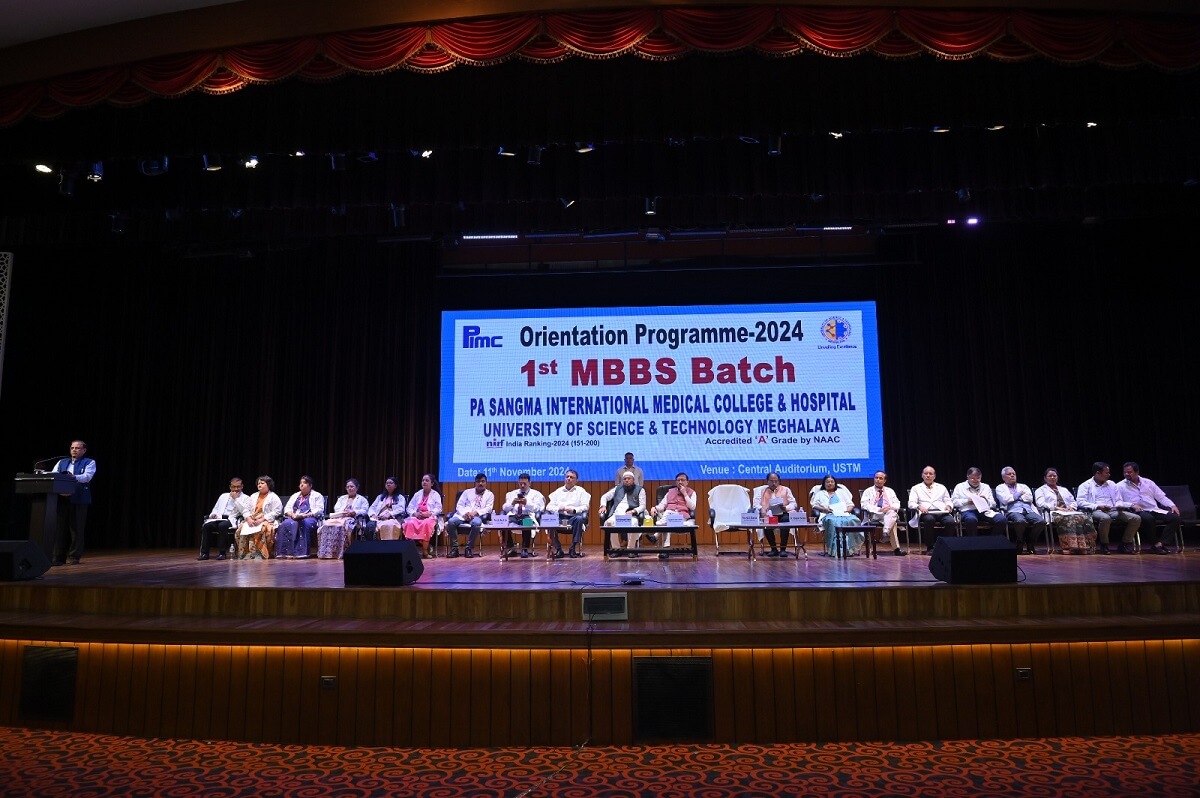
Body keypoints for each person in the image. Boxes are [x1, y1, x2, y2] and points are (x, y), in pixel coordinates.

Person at [1116, 461, 1180, 555]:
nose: (1126, 474)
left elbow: (1161, 497)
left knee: (1175, 518)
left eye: (1129, 472)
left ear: (1137, 472)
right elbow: (1118, 502)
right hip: (1137, 510)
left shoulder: (1148, 482)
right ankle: (1155, 544)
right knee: (1148, 519)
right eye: (1124, 472)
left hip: (1153, 508)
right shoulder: (1120, 486)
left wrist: (1172, 505)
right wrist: (1131, 505)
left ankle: (1160, 544)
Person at [1077, 461, 1140, 554]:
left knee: (1136, 518)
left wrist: (1119, 505)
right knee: (1105, 518)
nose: (1109, 475)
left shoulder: (1112, 484)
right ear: (1098, 473)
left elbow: (1118, 499)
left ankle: (1124, 544)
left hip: (1112, 509)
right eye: (1106, 473)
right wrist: (1098, 506)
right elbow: (1080, 502)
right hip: (1096, 510)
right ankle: (1104, 545)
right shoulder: (1085, 485)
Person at [50, 439, 96, 566]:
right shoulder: (62, 462)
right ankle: (57, 557)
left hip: (79, 498)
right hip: (62, 498)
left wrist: (72, 477)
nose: (74, 450)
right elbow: (54, 475)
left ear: (84, 450)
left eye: (77, 448)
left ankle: (74, 556)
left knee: (76, 529)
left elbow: (87, 477)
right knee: (60, 528)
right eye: (72, 448)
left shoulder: (89, 462)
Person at [1035, 467, 1097, 554]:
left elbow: (1073, 501)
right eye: (1050, 476)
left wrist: (1071, 507)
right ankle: (1070, 547)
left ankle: (1085, 546)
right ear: (1045, 478)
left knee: (1084, 517)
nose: (1052, 478)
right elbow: (1040, 504)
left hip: (1068, 511)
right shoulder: (1040, 490)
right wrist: (1057, 508)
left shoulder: (1063, 489)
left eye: (1054, 476)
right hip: (1052, 512)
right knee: (1070, 519)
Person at [995, 467, 1047, 555]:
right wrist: (1019, 494)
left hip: (1028, 509)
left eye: (1013, 474)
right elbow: (1005, 499)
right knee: (1020, 521)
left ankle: (1030, 540)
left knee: (1041, 522)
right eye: (1009, 474)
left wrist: (1013, 497)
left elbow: (1029, 498)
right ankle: (1020, 541)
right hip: (1012, 511)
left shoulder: (1023, 486)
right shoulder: (1000, 487)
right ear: (1003, 477)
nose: (1012, 475)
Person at [317, 478, 369, 560]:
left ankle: (341, 552)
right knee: (326, 524)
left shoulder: (362, 499)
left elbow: (365, 511)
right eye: (348, 487)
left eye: (352, 486)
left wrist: (354, 512)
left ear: (357, 487)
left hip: (353, 519)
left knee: (341, 526)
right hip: (340, 517)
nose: (349, 488)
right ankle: (328, 552)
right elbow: (336, 508)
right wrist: (344, 512)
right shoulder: (342, 498)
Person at [198, 477, 249, 560]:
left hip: (231, 520)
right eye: (234, 487)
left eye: (238, 487)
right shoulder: (223, 496)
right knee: (207, 526)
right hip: (218, 518)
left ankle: (222, 553)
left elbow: (244, 511)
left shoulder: (246, 498)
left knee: (222, 526)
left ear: (242, 486)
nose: (236, 489)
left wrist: (236, 499)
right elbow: (215, 508)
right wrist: (213, 514)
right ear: (230, 487)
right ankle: (204, 553)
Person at [446, 473, 495, 559]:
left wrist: (475, 513)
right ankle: (454, 549)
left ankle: (468, 548)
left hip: (477, 516)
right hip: (463, 515)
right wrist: (465, 513)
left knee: (476, 523)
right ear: (475, 483)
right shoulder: (467, 492)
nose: (480, 483)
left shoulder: (490, 495)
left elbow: (488, 509)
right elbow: (459, 505)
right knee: (451, 521)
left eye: (483, 481)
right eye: (478, 481)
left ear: (486, 483)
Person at [811, 474, 862, 557]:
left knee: (852, 520)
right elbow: (814, 505)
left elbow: (850, 504)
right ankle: (835, 550)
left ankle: (849, 549)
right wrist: (825, 510)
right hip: (828, 514)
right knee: (833, 521)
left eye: (832, 482)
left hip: (844, 513)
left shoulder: (841, 492)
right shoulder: (820, 493)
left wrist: (847, 510)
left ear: (835, 483)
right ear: (824, 484)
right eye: (827, 482)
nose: (830, 483)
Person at [277, 475, 326, 559]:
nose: (302, 484)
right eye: (301, 483)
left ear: (310, 485)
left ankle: (301, 552)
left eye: (305, 483)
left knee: (301, 523)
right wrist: (292, 514)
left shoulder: (317, 495)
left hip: (310, 518)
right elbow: (287, 508)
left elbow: (319, 510)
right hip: (293, 517)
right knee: (284, 524)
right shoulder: (295, 496)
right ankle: (285, 552)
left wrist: (306, 515)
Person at [908, 466, 954, 554]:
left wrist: (948, 505)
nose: (928, 476)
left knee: (950, 522)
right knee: (929, 520)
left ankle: (944, 545)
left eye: (930, 474)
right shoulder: (916, 488)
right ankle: (930, 547)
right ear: (922, 475)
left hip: (941, 511)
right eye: (926, 474)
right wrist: (919, 506)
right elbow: (911, 503)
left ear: (934, 476)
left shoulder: (941, 487)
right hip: (926, 512)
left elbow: (948, 500)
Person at [951, 467, 1008, 538]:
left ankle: (992, 542)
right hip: (968, 510)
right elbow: (954, 502)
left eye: (978, 478)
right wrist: (967, 501)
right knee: (971, 519)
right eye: (972, 478)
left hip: (985, 511)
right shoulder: (960, 487)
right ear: (967, 477)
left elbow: (993, 504)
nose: (975, 480)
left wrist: (986, 500)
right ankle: (974, 544)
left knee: (1002, 519)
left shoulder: (985, 487)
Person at [546, 468, 591, 559]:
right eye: (567, 477)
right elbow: (548, 507)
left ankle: (573, 548)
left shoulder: (581, 491)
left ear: (576, 480)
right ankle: (558, 549)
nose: (569, 479)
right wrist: (558, 508)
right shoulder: (558, 491)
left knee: (579, 519)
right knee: (549, 520)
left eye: (571, 477)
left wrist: (574, 510)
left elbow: (585, 506)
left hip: (573, 518)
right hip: (559, 517)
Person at [860, 470, 906, 556]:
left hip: (889, 513)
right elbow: (864, 505)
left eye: (880, 478)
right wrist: (878, 509)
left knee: (892, 514)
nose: (878, 480)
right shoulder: (868, 491)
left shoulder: (890, 491)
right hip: (874, 515)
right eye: (876, 478)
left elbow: (897, 503)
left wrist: (891, 507)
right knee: (893, 521)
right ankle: (896, 549)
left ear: (884, 481)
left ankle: (885, 533)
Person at [236, 476, 283, 559]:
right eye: (258, 483)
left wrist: (262, 519)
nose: (259, 485)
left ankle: (259, 554)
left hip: (266, 519)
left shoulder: (274, 497)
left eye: (262, 483)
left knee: (263, 529)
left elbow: (277, 511)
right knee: (240, 530)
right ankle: (246, 554)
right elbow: (245, 509)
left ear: (268, 484)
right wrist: (248, 519)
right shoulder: (253, 496)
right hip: (252, 519)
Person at [601, 470, 647, 553]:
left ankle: (631, 549)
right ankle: (616, 549)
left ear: (633, 480)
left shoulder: (640, 490)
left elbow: (643, 506)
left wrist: (634, 511)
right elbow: (604, 497)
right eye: (625, 479)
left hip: (631, 515)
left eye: (629, 478)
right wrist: (603, 505)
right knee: (609, 523)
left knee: (633, 524)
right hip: (616, 514)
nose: (626, 480)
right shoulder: (617, 488)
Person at [753, 472, 798, 558]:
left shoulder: (786, 490)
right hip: (768, 514)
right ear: (767, 481)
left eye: (776, 481)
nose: (774, 483)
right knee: (766, 524)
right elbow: (755, 504)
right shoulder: (762, 491)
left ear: (779, 481)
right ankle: (773, 549)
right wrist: (761, 508)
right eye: (771, 481)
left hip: (783, 513)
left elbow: (794, 504)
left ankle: (783, 549)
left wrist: (786, 508)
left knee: (785, 521)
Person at [501, 473, 546, 558]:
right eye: (520, 483)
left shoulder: (536, 494)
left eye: (524, 484)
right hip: (514, 515)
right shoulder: (511, 494)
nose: (522, 486)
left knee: (527, 522)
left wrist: (527, 503)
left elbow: (540, 509)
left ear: (529, 483)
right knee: (503, 523)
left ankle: (525, 549)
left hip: (527, 515)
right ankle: (511, 548)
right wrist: (512, 503)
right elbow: (504, 508)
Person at [649, 472, 697, 548]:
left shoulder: (692, 492)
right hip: (669, 515)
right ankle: (665, 548)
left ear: (687, 482)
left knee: (667, 518)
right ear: (676, 482)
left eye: (682, 480)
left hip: (682, 516)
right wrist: (655, 508)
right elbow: (662, 505)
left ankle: (657, 535)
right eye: (678, 480)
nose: (680, 482)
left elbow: (692, 507)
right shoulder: (670, 492)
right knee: (668, 518)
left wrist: (685, 494)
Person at [402, 473, 442, 558]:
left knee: (426, 524)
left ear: (432, 483)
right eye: (423, 480)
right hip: (417, 517)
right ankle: (411, 551)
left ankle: (425, 551)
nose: (424, 482)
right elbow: (409, 507)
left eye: (427, 480)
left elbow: (439, 508)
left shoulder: (436, 495)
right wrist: (414, 513)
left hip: (429, 517)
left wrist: (429, 513)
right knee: (409, 523)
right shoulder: (417, 494)